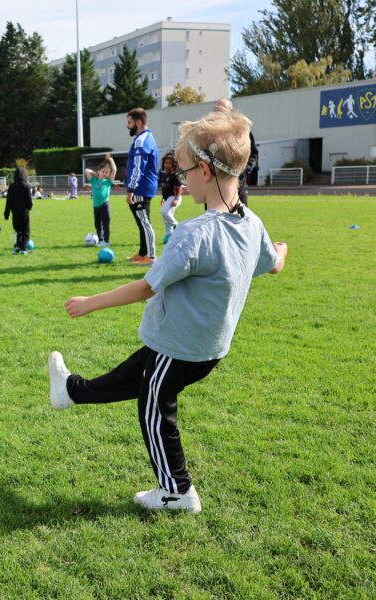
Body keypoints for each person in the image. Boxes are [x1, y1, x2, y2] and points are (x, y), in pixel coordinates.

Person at [46, 109, 288, 513]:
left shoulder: (194, 233)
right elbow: (273, 264)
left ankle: (177, 491)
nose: (180, 180)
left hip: (179, 346)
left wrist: (90, 303)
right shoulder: (251, 223)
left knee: (155, 409)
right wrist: (281, 249)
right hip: (207, 348)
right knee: (135, 377)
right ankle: (70, 391)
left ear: (205, 172)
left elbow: (147, 286)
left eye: (183, 171)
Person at [124, 108, 159, 267]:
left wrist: (131, 189)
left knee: (144, 222)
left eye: (129, 122)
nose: (127, 126)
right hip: (144, 187)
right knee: (141, 221)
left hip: (141, 188)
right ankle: (143, 252)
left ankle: (151, 257)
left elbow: (138, 168)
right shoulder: (146, 138)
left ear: (138, 122)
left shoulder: (141, 141)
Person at [214, 98, 258, 206]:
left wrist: (245, 170)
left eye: (222, 110)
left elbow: (253, 153)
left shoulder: (241, 130)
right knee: (213, 214)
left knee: (241, 214)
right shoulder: (209, 132)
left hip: (237, 183)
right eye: (216, 110)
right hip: (215, 185)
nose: (218, 113)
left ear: (231, 111)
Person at [85, 154, 117, 247]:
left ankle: (106, 241)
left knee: (105, 224)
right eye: (103, 171)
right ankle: (101, 240)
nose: (105, 174)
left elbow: (114, 170)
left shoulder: (108, 181)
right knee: (97, 224)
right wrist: (97, 174)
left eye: (107, 172)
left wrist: (111, 159)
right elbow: (87, 170)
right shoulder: (94, 180)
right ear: (98, 171)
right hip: (96, 206)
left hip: (105, 205)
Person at [4, 166, 33, 254]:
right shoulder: (26, 186)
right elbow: (29, 200)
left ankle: (17, 247)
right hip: (24, 212)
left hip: (15, 212)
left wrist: (6, 213)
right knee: (25, 231)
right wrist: (30, 207)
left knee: (17, 231)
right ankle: (24, 249)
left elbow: (8, 201)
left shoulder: (12, 186)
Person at [158, 154, 182, 243]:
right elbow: (164, 189)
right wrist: (163, 198)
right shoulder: (164, 175)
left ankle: (177, 226)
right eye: (166, 163)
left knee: (164, 212)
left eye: (169, 163)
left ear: (173, 165)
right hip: (167, 199)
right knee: (166, 217)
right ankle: (169, 235)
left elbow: (179, 187)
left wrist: (176, 199)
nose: (167, 165)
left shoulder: (174, 175)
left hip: (174, 197)